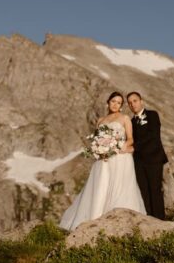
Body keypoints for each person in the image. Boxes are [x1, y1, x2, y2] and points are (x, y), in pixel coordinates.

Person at [59, 92, 147, 231]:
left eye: (118, 102)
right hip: (103, 160)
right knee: (101, 187)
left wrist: (120, 146)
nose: (115, 104)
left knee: (119, 188)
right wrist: (99, 149)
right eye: (113, 101)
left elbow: (130, 138)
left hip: (120, 158)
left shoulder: (124, 118)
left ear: (121, 106)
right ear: (108, 102)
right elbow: (97, 139)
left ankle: (121, 225)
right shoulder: (101, 120)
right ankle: (95, 221)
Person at [126, 91, 168, 219]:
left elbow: (153, 136)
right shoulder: (131, 122)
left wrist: (134, 147)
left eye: (135, 101)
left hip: (154, 159)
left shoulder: (152, 115)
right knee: (143, 192)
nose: (133, 104)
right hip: (138, 162)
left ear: (141, 101)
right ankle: (150, 220)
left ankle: (160, 221)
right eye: (130, 103)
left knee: (155, 190)